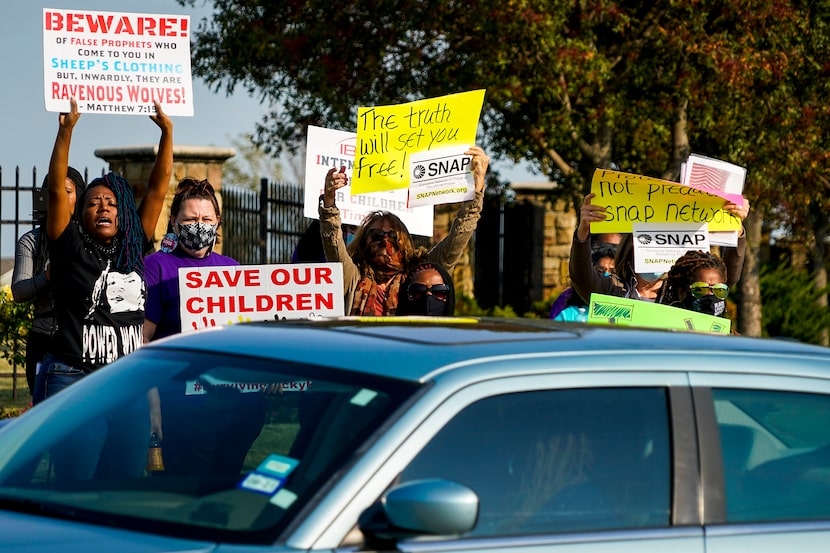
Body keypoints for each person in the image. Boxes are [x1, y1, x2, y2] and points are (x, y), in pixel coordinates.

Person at [40, 98, 172, 481]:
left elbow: (159, 190)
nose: (102, 207)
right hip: (75, 379)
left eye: (111, 203)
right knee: (75, 489)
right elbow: (54, 193)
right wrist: (66, 130)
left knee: (123, 489)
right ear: (80, 214)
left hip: (127, 385)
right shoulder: (69, 247)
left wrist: (166, 132)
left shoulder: (134, 246)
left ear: (122, 213)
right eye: (93, 202)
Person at [143, 178, 263, 477]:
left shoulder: (232, 268)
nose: (199, 226)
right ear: (173, 221)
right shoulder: (157, 266)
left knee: (226, 481)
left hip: (237, 405)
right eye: (190, 219)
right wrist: (154, 407)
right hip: (183, 403)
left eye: (206, 219)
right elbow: (142, 339)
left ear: (218, 221)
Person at [319, 146, 489, 315]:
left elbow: (457, 240)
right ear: (364, 242)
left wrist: (477, 190)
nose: (385, 240)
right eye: (376, 235)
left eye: (392, 235)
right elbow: (332, 242)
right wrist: (328, 202)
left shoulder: (421, 274)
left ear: (404, 241)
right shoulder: (352, 276)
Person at [569, 192, 749, 304]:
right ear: (631, 248)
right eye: (648, 239)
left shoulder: (682, 293)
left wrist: (737, 227)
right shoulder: (612, 289)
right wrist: (583, 232)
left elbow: (726, 278)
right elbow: (581, 277)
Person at [11, 169, 85, 395]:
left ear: (80, 196)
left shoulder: (90, 239)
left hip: (83, 339)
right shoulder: (31, 241)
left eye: (68, 191)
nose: (60, 197)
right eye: (54, 191)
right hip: (44, 340)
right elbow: (18, 291)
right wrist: (46, 278)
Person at [550, 244, 616, 322]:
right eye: (600, 271)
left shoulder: (627, 310)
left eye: (612, 272)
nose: (606, 275)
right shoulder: (569, 314)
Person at [657, 250, 730, 317]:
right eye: (700, 289)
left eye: (720, 289)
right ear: (681, 291)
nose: (710, 294)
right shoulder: (660, 327)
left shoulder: (728, 331)